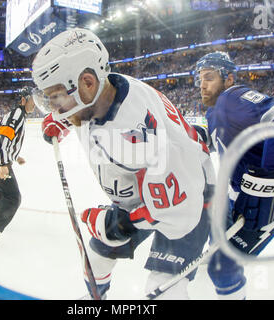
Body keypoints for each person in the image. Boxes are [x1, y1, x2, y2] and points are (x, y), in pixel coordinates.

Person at [32, 28, 215, 299]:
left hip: (190, 198)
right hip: (148, 194)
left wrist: (120, 224)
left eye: (56, 97)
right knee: (96, 258)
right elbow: (84, 107)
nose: (54, 107)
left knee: (163, 287)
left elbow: (178, 212)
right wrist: (61, 119)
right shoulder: (107, 87)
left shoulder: (134, 139)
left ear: (87, 81)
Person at [194, 51, 274, 299]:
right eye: (200, 78)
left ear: (229, 79)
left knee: (223, 268)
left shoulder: (231, 98)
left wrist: (266, 182)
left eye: (209, 77)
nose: (202, 84)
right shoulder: (215, 112)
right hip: (239, 198)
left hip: (269, 204)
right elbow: (222, 140)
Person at [0, 86, 35, 244]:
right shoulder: (16, 115)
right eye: (32, 101)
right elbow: (1, 141)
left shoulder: (18, 115)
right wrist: (3, 164)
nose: (34, 105)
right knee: (13, 197)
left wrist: (15, 157)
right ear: (23, 100)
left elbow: (6, 142)